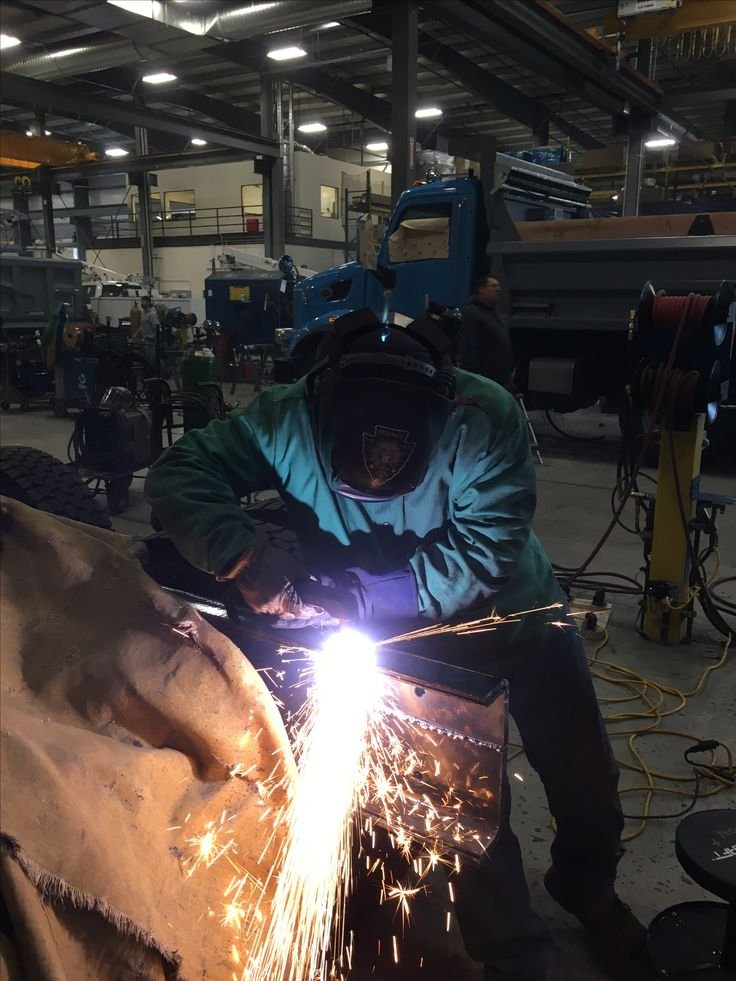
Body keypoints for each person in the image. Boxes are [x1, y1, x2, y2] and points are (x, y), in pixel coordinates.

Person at [145, 309, 649, 981]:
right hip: (410, 643)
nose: (378, 482)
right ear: (320, 405)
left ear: (439, 413)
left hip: (518, 617)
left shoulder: (484, 417)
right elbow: (180, 472)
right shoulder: (282, 420)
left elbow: (485, 549)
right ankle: (515, 954)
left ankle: (588, 888)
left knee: (585, 771)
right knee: (468, 809)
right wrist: (240, 553)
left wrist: (361, 596)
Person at [460, 274, 515, 388]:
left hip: (499, 379)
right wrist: (475, 376)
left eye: (498, 286)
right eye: (494, 286)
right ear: (481, 289)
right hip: (485, 380)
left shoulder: (494, 314)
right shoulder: (472, 313)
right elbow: (468, 345)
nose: (498, 289)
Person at [139, 294, 160, 367]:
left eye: (143, 301)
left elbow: (156, 327)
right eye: (141, 301)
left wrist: (153, 337)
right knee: (146, 359)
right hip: (145, 340)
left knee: (152, 360)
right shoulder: (143, 313)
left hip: (151, 342)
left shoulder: (152, 314)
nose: (142, 303)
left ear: (148, 302)